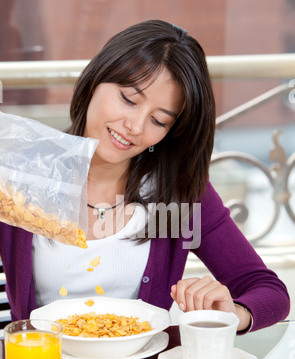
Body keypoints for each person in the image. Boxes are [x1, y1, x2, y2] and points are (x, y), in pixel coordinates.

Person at [0, 19, 290, 333]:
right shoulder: (23, 175)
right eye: (128, 99)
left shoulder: (177, 194)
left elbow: (269, 291)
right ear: (94, 81)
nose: (135, 127)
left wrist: (232, 312)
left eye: (159, 120)